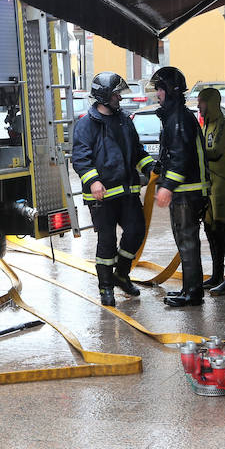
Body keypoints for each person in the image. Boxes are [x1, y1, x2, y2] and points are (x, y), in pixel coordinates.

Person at [72, 72, 156, 306]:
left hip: (127, 192)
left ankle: (121, 274)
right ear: (104, 96)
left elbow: (137, 151)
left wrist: (151, 168)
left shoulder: (124, 121)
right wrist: (94, 181)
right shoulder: (86, 125)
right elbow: (80, 159)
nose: (119, 98)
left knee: (136, 231)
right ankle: (106, 288)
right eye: (116, 94)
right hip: (102, 196)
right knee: (107, 242)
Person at [151, 67, 211, 307]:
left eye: (159, 89)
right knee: (186, 243)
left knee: (187, 243)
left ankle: (192, 293)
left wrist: (166, 186)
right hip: (189, 191)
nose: (156, 94)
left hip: (187, 192)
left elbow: (180, 157)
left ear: (169, 90)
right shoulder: (177, 116)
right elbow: (174, 154)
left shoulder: (177, 119)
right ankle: (189, 288)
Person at [197, 87, 225, 296]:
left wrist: (195, 150)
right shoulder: (207, 124)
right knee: (210, 229)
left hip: (222, 183)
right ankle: (216, 275)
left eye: (201, 102)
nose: (198, 106)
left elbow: (214, 153)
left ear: (211, 102)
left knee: (224, 230)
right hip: (208, 184)